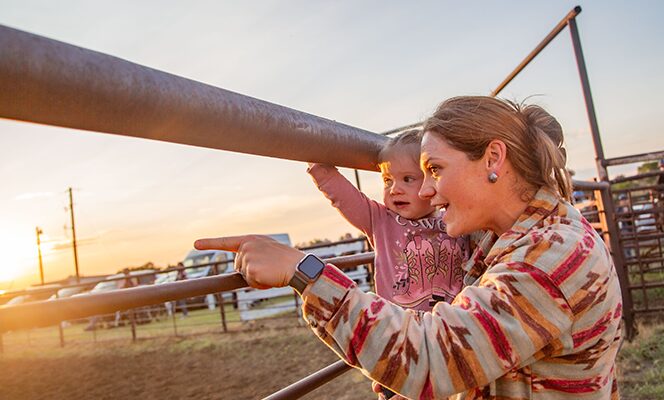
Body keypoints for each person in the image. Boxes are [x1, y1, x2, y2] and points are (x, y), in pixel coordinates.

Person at [195, 96, 622, 399]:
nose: (429, 191)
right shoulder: (517, 235)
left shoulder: (553, 257)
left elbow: (433, 358)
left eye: (434, 169)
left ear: (494, 159)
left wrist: (304, 273)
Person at [308, 129, 469, 311]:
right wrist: (314, 149)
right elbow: (343, 196)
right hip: (401, 326)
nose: (394, 190)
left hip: (451, 324)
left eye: (407, 179)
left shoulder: (455, 218)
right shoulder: (380, 220)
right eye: (387, 180)